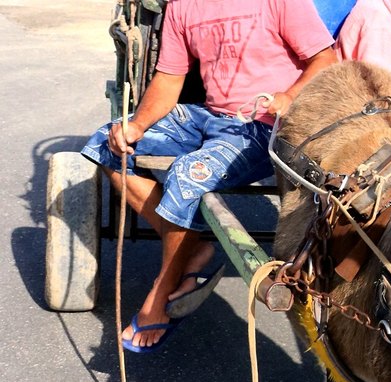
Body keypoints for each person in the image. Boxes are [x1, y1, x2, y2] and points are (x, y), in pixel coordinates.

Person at [81, 0, 337, 352]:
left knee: (186, 175)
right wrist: (137, 125)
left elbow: (325, 59)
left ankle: (161, 292)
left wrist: (290, 96)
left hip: (265, 128)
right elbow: (170, 79)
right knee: (107, 143)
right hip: (209, 116)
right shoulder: (182, 6)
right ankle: (194, 247)